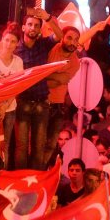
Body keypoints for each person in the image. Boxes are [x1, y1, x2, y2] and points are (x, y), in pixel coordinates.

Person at [15, 9, 63, 170]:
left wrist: (48, 17)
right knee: (21, 146)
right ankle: (21, 179)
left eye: (36, 25)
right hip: (21, 101)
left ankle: (34, 179)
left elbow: (60, 36)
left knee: (39, 146)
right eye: (29, 25)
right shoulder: (15, 48)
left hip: (42, 102)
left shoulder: (43, 44)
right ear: (23, 27)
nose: (33, 28)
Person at [0, 23, 24, 169]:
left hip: (9, 108)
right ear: (2, 39)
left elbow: (18, 86)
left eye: (13, 41)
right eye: (7, 40)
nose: (9, 44)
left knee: (5, 144)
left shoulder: (18, 62)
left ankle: (2, 176)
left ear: (17, 44)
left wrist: (5, 105)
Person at [45, 26, 82, 170]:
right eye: (70, 37)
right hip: (41, 102)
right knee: (35, 143)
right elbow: (41, 78)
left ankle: (42, 172)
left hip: (58, 105)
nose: (73, 42)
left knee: (50, 145)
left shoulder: (75, 63)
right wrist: (56, 77)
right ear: (62, 37)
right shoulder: (51, 50)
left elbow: (54, 79)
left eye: (76, 39)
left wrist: (48, 74)